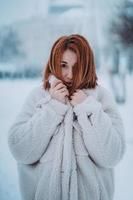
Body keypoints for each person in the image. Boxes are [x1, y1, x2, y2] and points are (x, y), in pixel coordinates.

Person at [8, 34, 126, 200]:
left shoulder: (101, 98)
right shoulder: (38, 97)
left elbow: (111, 155)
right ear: (54, 63)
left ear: (87, 66)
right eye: (63, 65)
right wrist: (52, 108)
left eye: (76, 67)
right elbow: (20, 150)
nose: (69, 74)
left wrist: (88, 109)